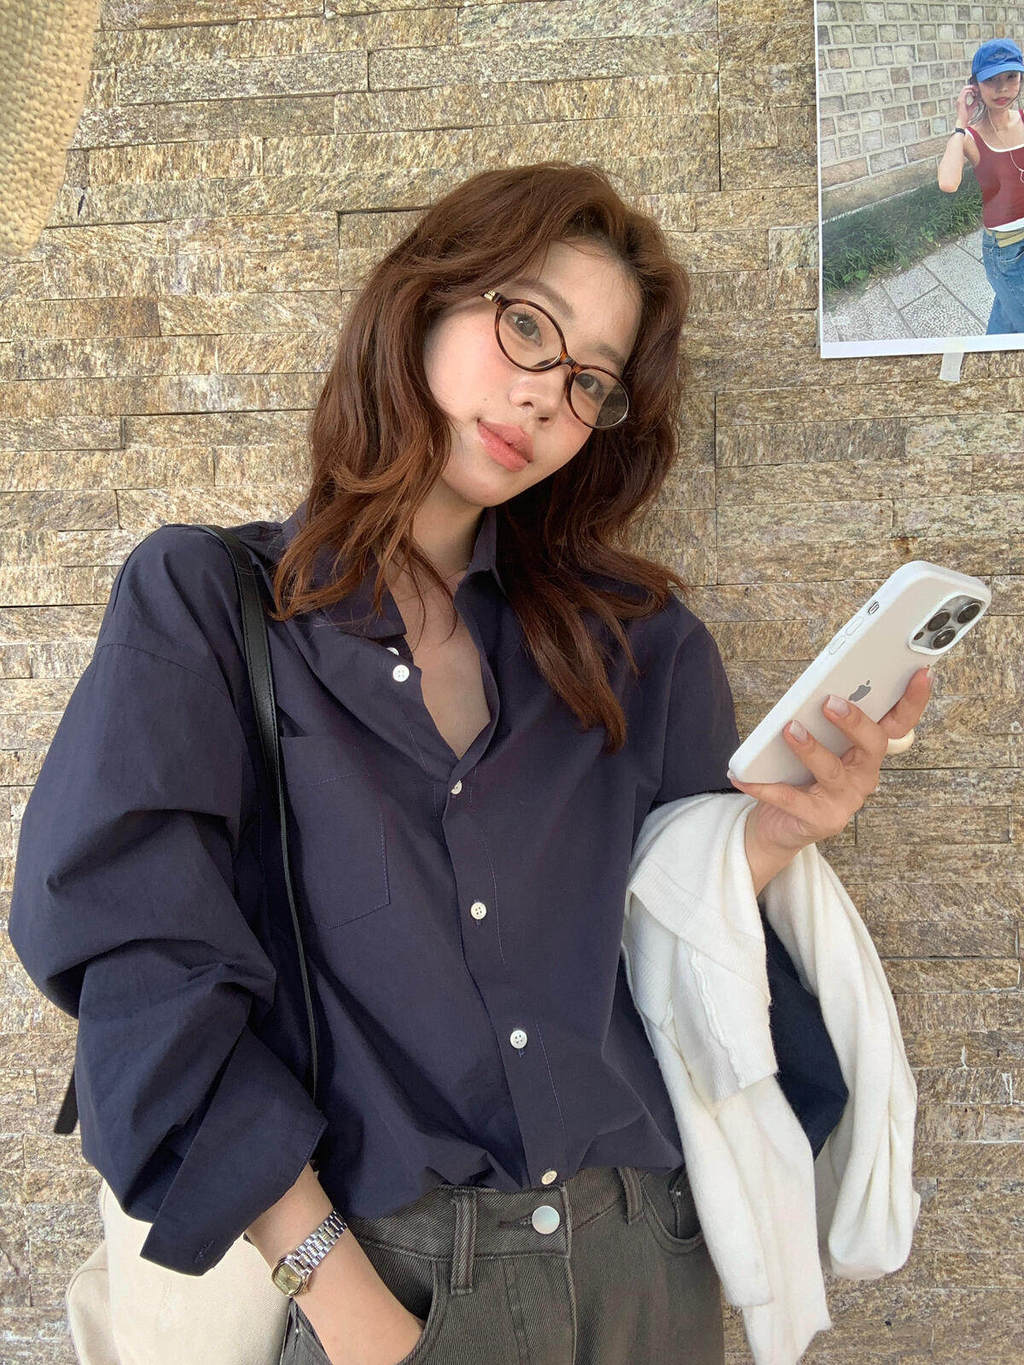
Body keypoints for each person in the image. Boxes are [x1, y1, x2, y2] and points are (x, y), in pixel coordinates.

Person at [8, 160, 930, 1365]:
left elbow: (668, 941)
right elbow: (139, 963)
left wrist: (773, 836)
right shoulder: (209, 605)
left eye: (589, 380)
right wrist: (350, 1308)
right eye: (528, 326)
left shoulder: (639, 645)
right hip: (380, 1280)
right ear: (424, 301)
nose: (544, 396)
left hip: (644, 1267)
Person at [938, 37, 1024, 333]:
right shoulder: (970, 137)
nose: (1002, 88)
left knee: (1006, 318)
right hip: (1007, 251)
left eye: (1011, 77)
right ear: (974, 85)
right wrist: (961, 121)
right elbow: (948, 182)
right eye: (991, 80)